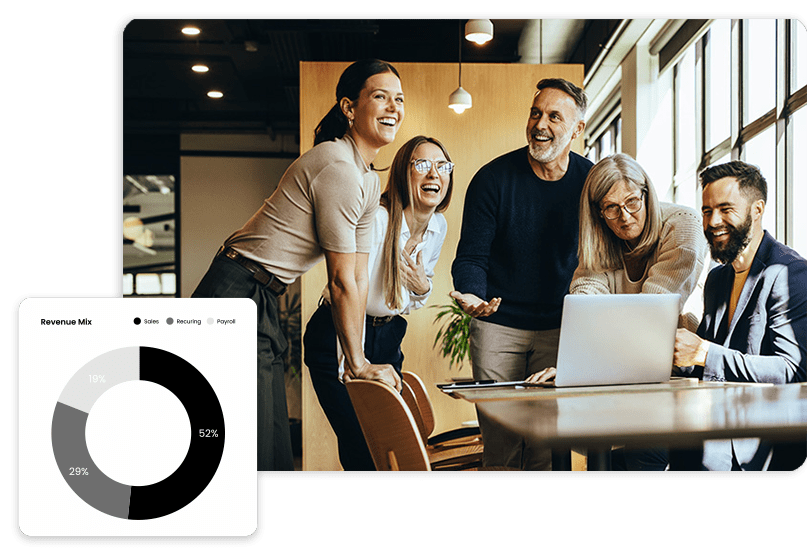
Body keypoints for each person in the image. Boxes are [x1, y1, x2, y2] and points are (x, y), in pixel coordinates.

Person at [191, 59, 404, 473]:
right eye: (380, 96)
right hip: (234, 291)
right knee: (247, 440)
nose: (393, 107)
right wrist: (357, 363)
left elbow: (359, 275)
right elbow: (340, 280)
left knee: (271, 441)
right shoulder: (337, 167)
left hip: (263, 295)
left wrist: (352, 360)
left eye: (398, 99)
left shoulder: (368, 179)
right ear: (348, 107)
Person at [525, 153, 708, 471]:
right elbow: (585, 301)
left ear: (646, 194)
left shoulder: (684, 226)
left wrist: (585, 364)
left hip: (681, 379)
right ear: (598, 213)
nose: (624, 217)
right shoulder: (601, 239)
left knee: (637, 458)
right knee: (602, 453)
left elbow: (649, 316)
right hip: (629, 378)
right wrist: (573, 368)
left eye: (632, 202)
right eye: (610, 208)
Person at [451, 77, 593, 471]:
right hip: (498, 326)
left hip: (561, 328)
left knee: (548, 447)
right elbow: (471, 258)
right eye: (535, 113)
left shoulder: (591, 182)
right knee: (502, 447)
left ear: (577, 129)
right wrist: (473, 294)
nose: (540, 124)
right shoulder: (492, 179)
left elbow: (605, 258)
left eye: (553, 116)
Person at [304, 136, 453, 471]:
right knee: (361, 444)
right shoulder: (379, 220)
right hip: (340, 332)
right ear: (403, 172)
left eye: (442, 166)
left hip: (388, 336)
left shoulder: (437, 227)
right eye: (422, 165)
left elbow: (412, 300)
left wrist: (422, 286)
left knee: (389, 443)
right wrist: (353, 361)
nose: (434, 174)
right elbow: (351, 288)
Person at [673, 160, 807, 471]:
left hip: (761, 438)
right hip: (715, 420)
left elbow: (793, 370)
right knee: (628, 456)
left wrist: (704, 352)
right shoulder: (718, 278)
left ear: (757, 210)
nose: (713, 221)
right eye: (707, 211)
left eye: (725, 209)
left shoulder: (790, 273)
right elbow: (700, 361)